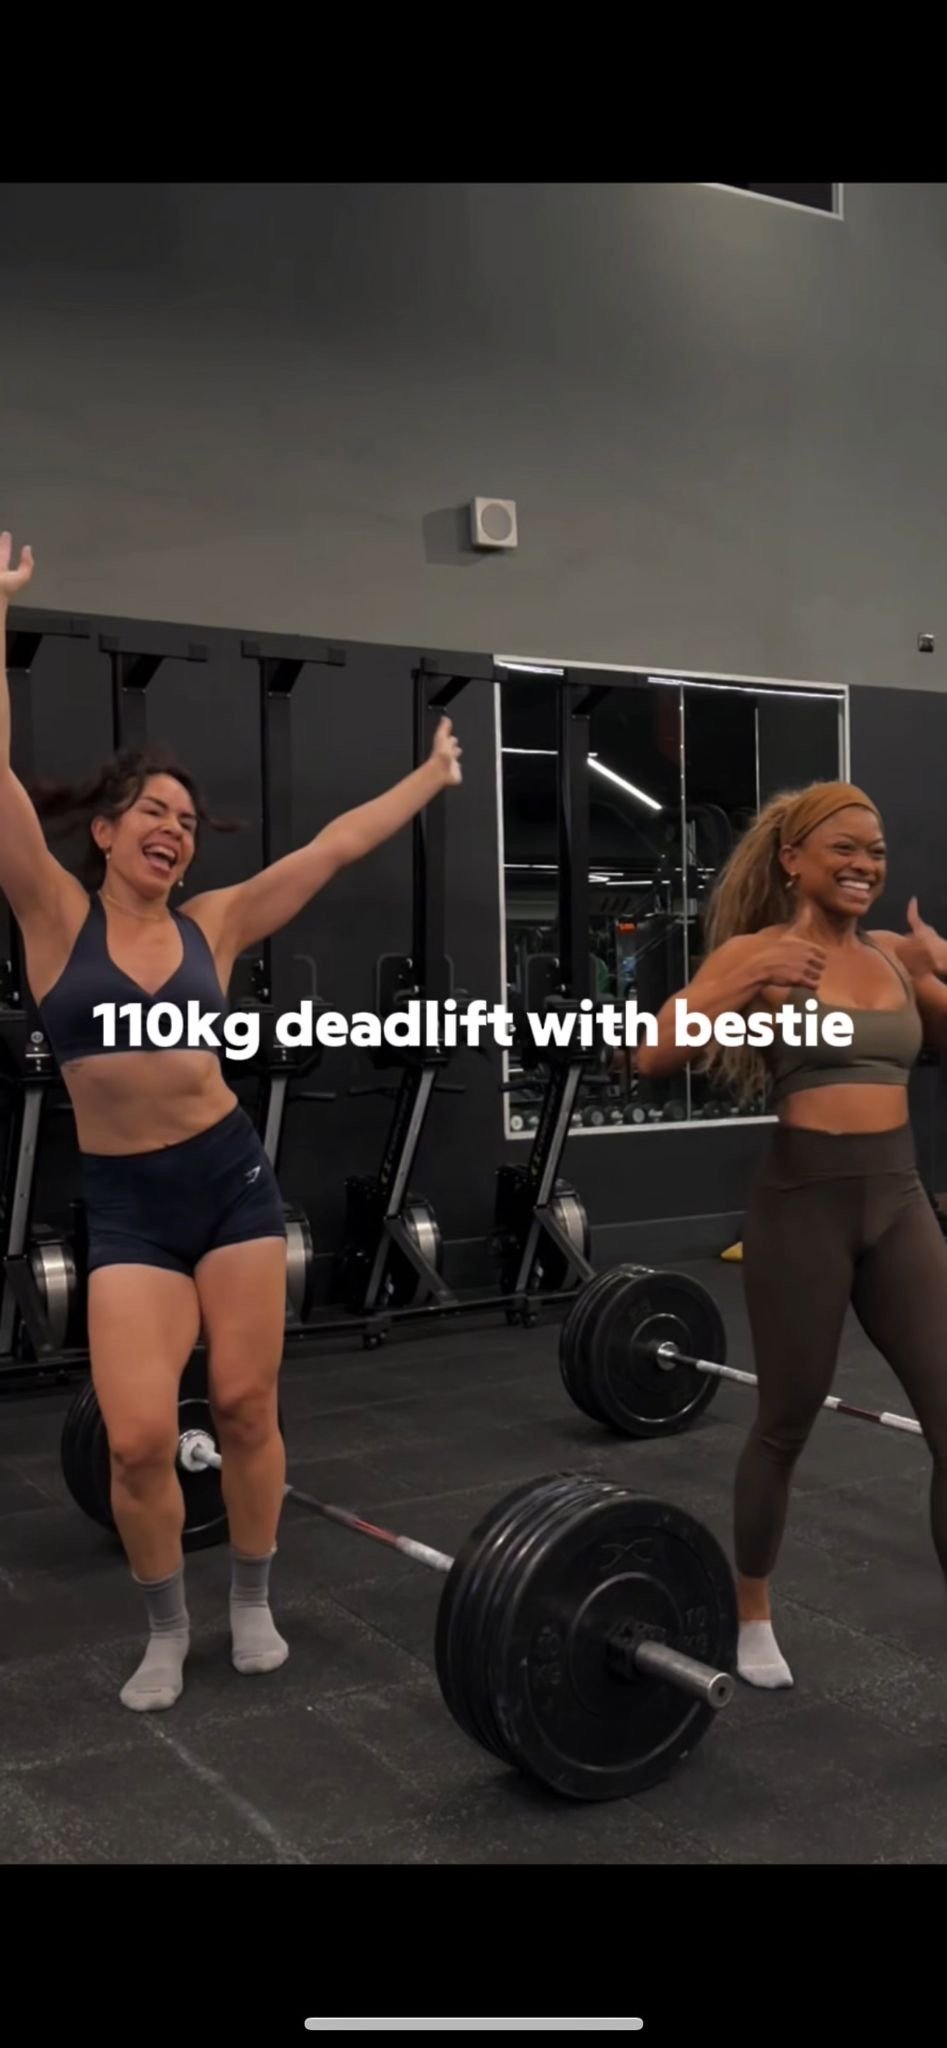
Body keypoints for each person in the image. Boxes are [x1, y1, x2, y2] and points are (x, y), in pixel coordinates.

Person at [0, 532, 462, 1711]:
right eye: (152, 810)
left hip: (228, 1184)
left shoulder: (214, 924)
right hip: (127, 1206)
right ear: (103, 831)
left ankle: (250, 1601)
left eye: (187, 818)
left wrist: (429, 776)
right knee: (141, 1438)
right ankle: (167, 1629)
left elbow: (332, 846)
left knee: (250, 1402)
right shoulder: (56, 918)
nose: (173, 825)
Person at [637, 779, 947, 1690]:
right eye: (844, 847)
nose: (865, 865)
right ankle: (754, 1606)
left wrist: (940, 966)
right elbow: (656, 1052)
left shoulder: (894, 957)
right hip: (801, 1205)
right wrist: (732, 987)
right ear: (793, 860)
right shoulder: (756, 950)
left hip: (898, 1204)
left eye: (877, 850)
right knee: (783, 1421)